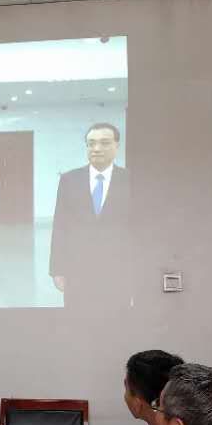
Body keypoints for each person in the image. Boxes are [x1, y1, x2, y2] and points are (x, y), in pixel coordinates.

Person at [49, 121, 132, 309]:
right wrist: (57, 269)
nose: (96, 148)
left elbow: (140, 229)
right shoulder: (69, 180)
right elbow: (60, 226)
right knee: (78, 320)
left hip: (119, 271)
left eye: (104, 143)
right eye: (91, 143)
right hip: (78, 270)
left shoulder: (130, 180)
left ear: (116, 146)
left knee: (117, 319)